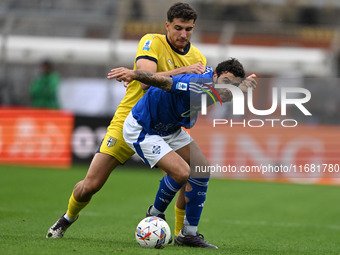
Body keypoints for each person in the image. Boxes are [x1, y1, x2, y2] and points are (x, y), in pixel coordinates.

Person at [46, 2, 206, 240]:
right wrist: (184, 73)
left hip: (163, 127)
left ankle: (184, 233)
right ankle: (67, 218)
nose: (183, 34)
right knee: (91, 185)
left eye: (189, 29)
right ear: (167, 26)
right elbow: (143, 81)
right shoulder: (151, 42)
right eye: (178, 28)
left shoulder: (197, 57)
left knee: (196, 170)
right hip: (130, 122)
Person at [107, 58, 257, 248]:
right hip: (144, 126)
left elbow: (225, 94)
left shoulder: (222, 87)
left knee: (201, 169)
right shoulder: (195, 83)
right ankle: (154, 214)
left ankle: (188, 234)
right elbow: (163, 82)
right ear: (215, 76)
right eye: (226, 81)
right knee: (181, 172)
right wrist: (134, 74)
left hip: (170, 128)